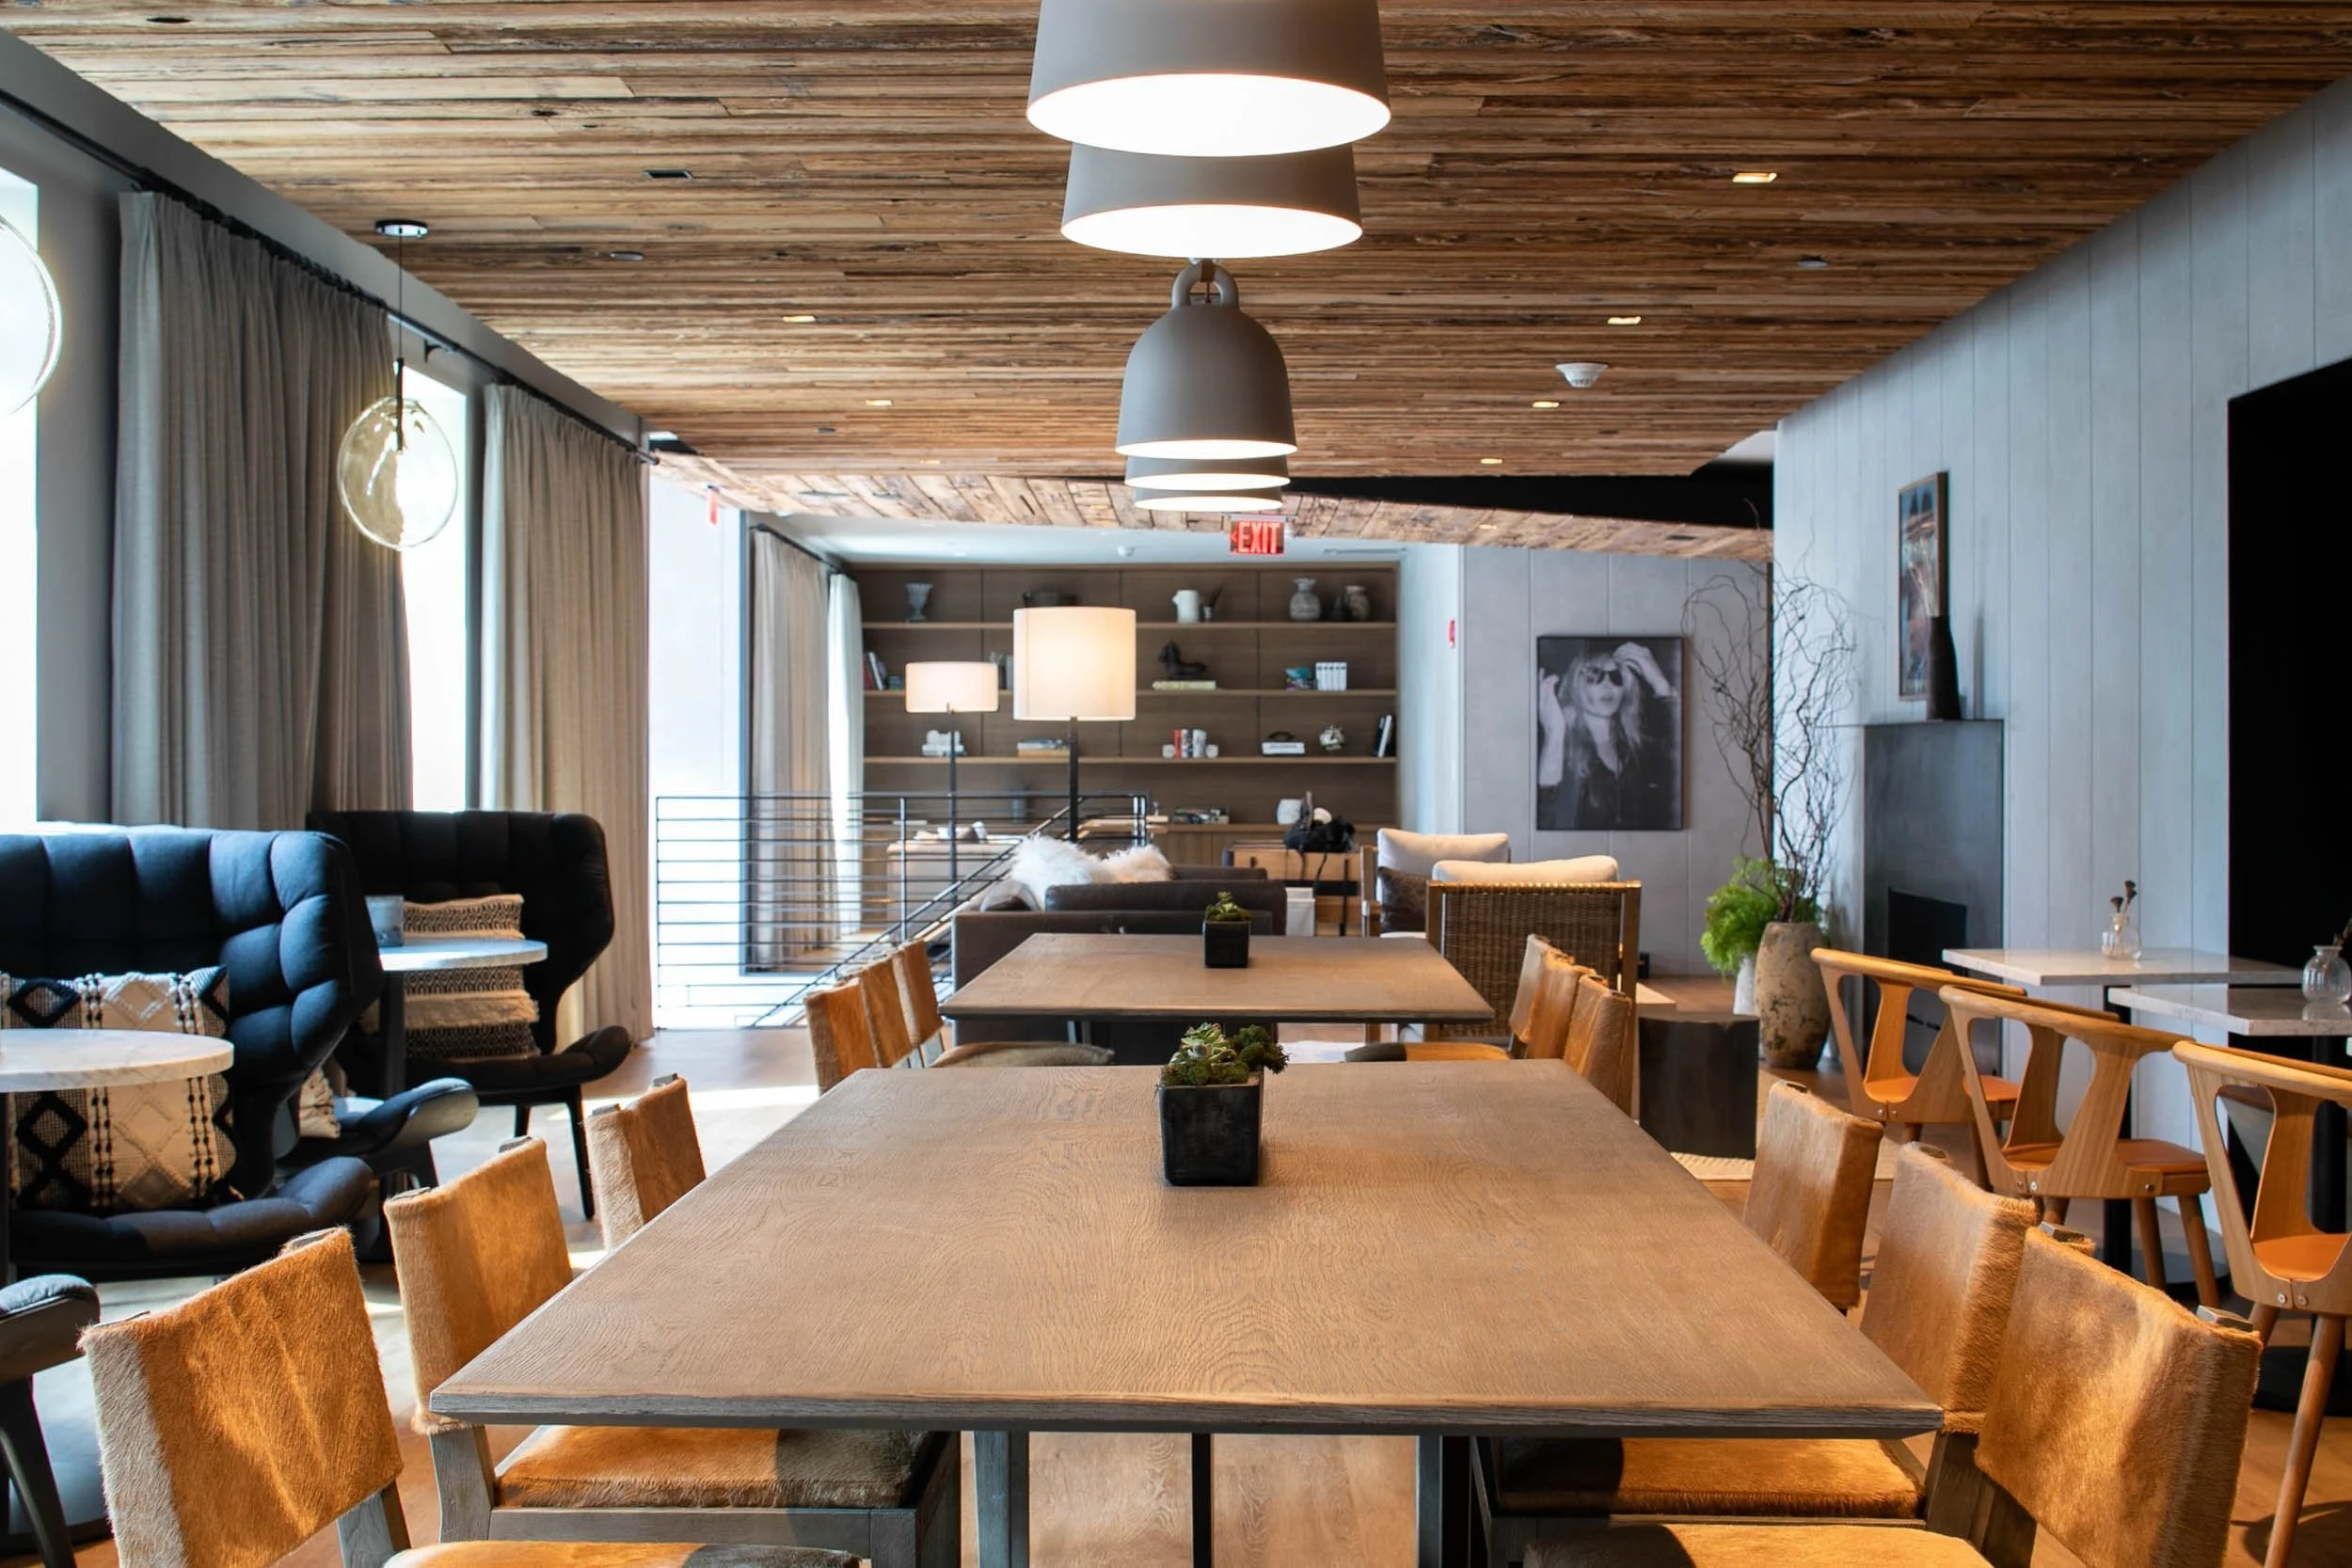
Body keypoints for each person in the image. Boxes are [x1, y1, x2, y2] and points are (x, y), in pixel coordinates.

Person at [1537, 641, 1679, 830]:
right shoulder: (1557, 743)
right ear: (1575, 684)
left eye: (1616, 677)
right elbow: (1547, 816)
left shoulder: (1639, 742)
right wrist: (1554, 734)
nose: (1608, 686)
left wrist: (1660, 683)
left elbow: (1685, 757)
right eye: (1595, 676)